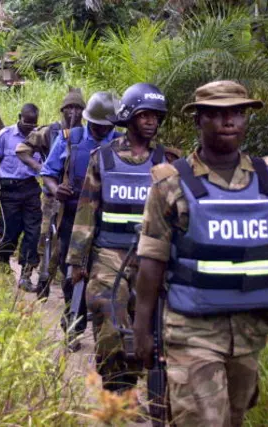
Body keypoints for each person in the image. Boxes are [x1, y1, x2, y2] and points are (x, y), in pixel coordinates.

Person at [133, 80, 268, 426]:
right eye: (217, 114)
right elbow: (152, 260)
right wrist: (142, 329)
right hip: (191, 331)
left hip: (249, 332)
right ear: (198, 120)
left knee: (233, 418)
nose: (229, 122)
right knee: (203, 420)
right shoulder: (171, 183)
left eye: (238, 113)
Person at [66, 84, 180, 392]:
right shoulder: (101, 158)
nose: (151, 122)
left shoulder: (167, 162)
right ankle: (119, 390)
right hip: (108, 254)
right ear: (129, 117)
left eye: (156, 117)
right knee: (109, 317)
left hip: (152, 258)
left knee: (146, 327)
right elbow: (87, 209)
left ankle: (144, 384)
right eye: (144, 115)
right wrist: (77, 260)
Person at [41, 92, 122, 351]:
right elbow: (48, 173)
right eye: (97, 125)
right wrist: (56, 189)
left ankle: (107, 336)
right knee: (72, 278)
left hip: (107, 223)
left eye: (106, 126)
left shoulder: (120, 143)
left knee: (104, 281)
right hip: (71, 220)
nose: (101, 130)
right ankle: (73, 328)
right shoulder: (70, 139)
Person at [16, 89, 86, 295]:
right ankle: (29, 274)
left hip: (76, 199)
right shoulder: (51, 132)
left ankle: (64, 284)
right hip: (50, 196)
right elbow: (22, 150)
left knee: (66, 241)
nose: (73, 112)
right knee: (43, 235)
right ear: (62, 110)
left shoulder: (86, 134)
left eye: (78, 108)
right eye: (69, 108)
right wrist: (43, 169)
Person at [0, 104, 42, 286]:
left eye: (33, 124)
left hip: (30, 188)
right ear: (19, 117)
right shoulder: (5, 135)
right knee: (9, 231)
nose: (30, 127)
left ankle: (26, 274)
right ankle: (3, 264)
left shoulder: (39, 137)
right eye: (27, 123)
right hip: (9, 189)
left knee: (33, 231)